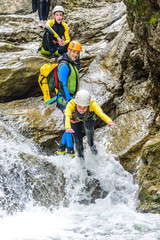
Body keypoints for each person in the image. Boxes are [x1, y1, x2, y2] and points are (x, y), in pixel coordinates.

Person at [64, 90, 116, 160]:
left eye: (84, 107)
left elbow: (100, 112)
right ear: (76, 104)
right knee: (78, 140)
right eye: (79, 107)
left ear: (88, 105)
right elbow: (67, 115)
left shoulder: (92, 104)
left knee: (89, 133)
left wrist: (109, 121)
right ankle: (81, 161)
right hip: (74, 119)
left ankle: (93, 149)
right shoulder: (71, 104)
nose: (82, 110)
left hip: (89, 117)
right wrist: (68, 127)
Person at [56, 40, 82, 157]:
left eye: (77, 53)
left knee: (70, 124)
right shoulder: (64, 66)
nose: (75, 55)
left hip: (71, 97)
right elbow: (63, 85)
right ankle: (71, 152)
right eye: (73, 52)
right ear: (68, 51)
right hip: (65, 99)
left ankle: (61, 149)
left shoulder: (72, 63)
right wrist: (69, 101)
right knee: (70, 125)